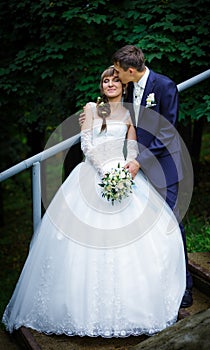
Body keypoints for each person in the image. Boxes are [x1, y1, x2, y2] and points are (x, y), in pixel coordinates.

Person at [2, 67, 186, 337]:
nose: (110, 84)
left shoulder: (128, 113)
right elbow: (87, 145)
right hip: (92, 174)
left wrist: (123, 170)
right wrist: (105, 171)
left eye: (114, 80)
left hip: (122, 174)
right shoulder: (92, 109)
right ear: (101, 86)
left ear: (123, 85)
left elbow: (132, 146)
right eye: (105, 81)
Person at [112, 45, 193, 308]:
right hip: (140, 168)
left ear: (131, 70)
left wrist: (139, 161)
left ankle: (186, 287)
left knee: (171, 223)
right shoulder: (131, 88)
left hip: (165, 167)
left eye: (117, 71)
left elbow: (168, 132)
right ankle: (158, 284)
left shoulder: (165, 86)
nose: (115, 75)